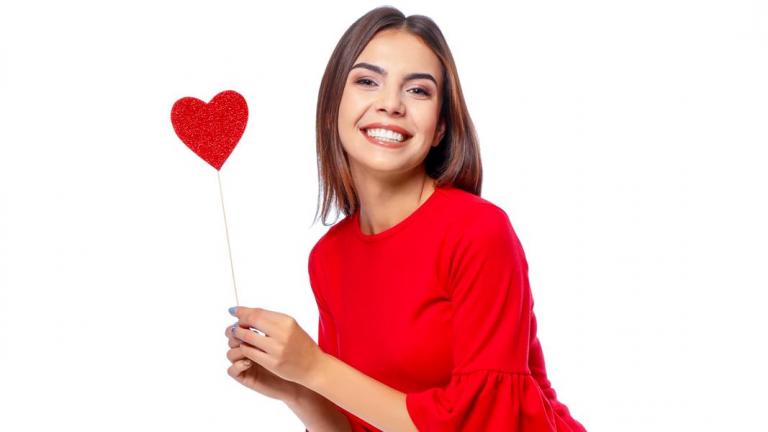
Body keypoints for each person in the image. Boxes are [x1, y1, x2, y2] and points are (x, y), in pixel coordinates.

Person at [224, 6, 587, 431]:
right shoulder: (329, 257)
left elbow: (485, 422)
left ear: (439, 129)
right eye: (366, 81)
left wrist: (314, 367)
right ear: (331, 109)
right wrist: (296, 387)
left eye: (418, 91)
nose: (391, 104)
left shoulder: (478, 232)